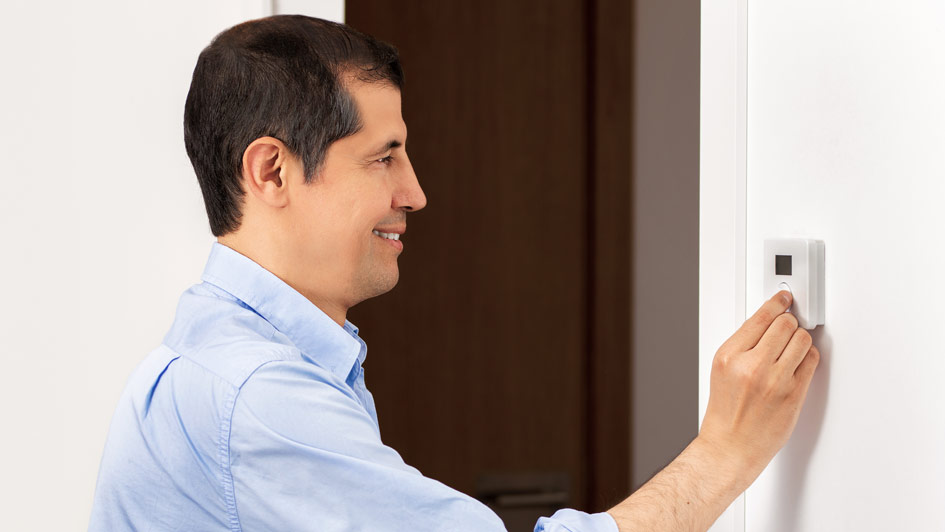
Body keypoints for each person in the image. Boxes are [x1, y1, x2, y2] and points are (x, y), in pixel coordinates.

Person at [89, 15, 819, 532]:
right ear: (271, 171)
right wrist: (724, 453)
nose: (414, 193)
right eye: (383, 158)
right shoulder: (255, 397)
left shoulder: (222, 364)